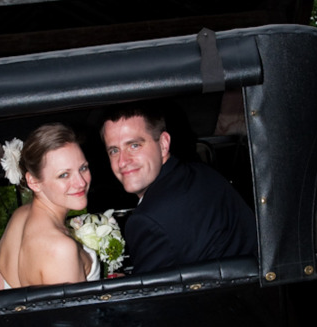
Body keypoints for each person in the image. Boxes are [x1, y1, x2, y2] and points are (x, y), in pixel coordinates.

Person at [101, 102, 257, 274]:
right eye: (114, 151)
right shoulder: (200, 172)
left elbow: (150, 297)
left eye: (134, 145)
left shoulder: (147, 220)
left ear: (163, 144)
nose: (122, 161)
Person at [0, 123, 100, 289]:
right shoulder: (61, 249)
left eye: (83, 168)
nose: (81, 182)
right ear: (34, 182)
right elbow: (75, 315)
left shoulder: (19, 217)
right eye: (64, 175)